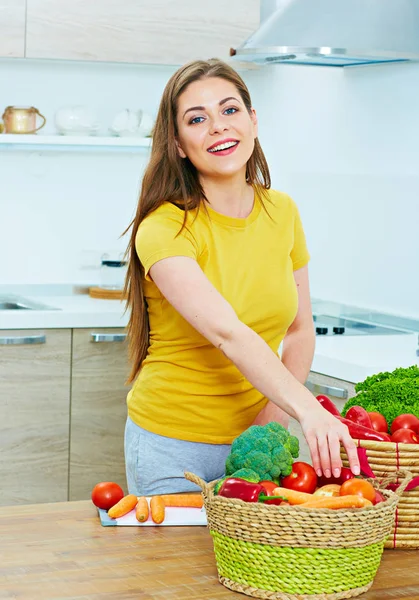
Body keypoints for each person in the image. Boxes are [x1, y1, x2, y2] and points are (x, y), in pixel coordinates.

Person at [123, 58, 360, 496]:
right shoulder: (164, 228)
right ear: (177, 143)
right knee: (173, 567)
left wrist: (274, 417)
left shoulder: (282, 212)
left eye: (229, 110)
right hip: (174, 445)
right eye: (198, 119)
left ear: (252, 120)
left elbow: (300, 328)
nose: (218, 127)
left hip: (260, 439)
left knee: (253, 565)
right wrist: (309, 409)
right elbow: (228, 333)